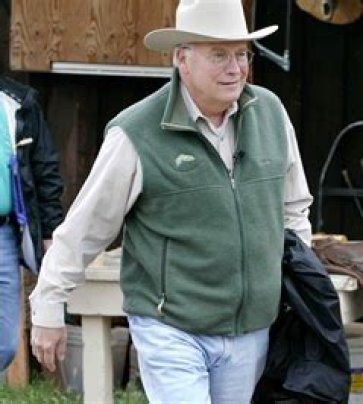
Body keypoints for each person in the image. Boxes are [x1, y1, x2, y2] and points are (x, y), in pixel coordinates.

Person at [29, 0, 312, 402]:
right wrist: (48, 304)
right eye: (219, 54)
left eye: (241, 54)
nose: (235, 68)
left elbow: (294, 208)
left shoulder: (271, 114)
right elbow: (83, 230)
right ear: (182, 58)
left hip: (252, 328)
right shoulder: (136, 133)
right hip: (171, 326)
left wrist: (301, 284)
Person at [0, 77, 64, 370]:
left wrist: (50, 233)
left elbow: (45, 171)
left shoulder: (17, 102)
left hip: (4, 234)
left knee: (5, 344)